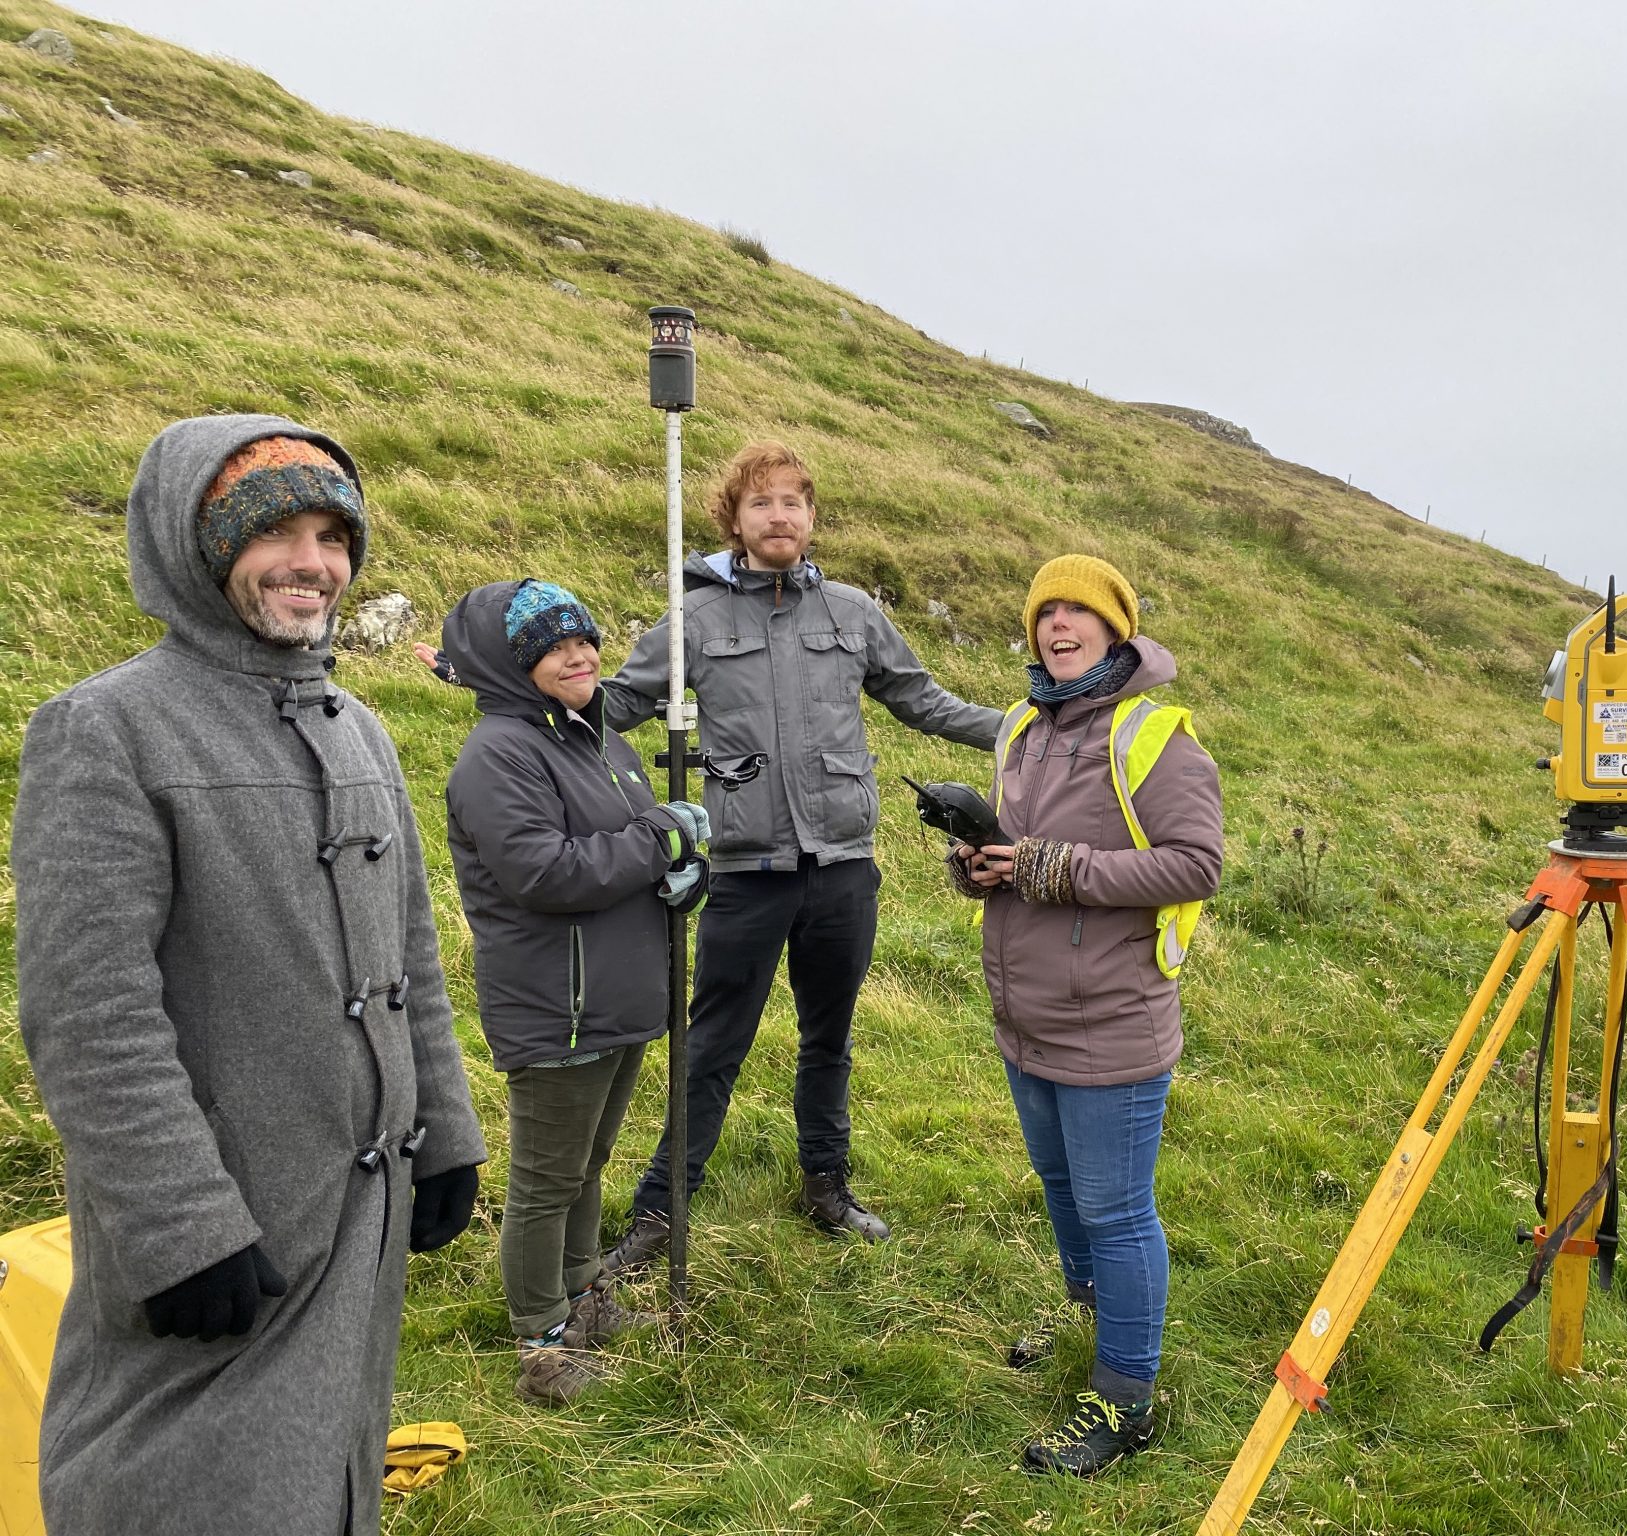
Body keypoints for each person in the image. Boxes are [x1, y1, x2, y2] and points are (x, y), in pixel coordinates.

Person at [12, 416, 488, 1535]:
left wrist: (447, 1126)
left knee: (328, 1479)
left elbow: (406, 950)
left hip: (350, 1224)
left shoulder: (358, 728)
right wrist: (182, 1227)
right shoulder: (107, 729)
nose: (312, 562)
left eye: (332, 533)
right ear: (199, 545)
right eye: (275, 531)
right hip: (221, 1231)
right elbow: (90, 1012)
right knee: (177, 1487)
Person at [602, 440, 1001, 1253]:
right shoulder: (696, 620)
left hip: (843, 870)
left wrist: (1024, 730)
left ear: (813, 518)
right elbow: (616, 701)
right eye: (761, 503)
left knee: (830, 1039)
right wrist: (513, 690)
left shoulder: (852, 613)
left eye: (793, 502)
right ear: (734, 521)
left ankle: (826, 1186)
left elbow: (919, 699)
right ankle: (658, 1214)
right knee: (712, 1045)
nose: (778, 515)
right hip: (745, 873)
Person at [947, 554, 1222, 1476]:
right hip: (1025, 1014)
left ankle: (1126, 1401)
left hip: (1111, 1018)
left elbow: (1196, 864)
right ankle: (1088, 1327)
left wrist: (1050, 867)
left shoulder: (1156, 736)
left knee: (1116, 1211)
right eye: (1045, 613)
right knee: (1064, 1194)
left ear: (1116, 628)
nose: (1059, 626)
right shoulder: (1024, 726)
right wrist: (984, 862)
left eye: (1080, 613)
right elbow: (1018, 851)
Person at [439, 579, 707, 1403]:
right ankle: (541, 1342)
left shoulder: (598, 740)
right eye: (554, 648)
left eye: (585, 639)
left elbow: (630, 854)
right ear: (510, 666)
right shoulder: (499, 755)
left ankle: (584, 1294)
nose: (580, 655)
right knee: (547, 1179)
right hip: (561, 1005)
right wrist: (660, 840)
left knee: (589, 1164)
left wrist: (680, 879)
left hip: (619, 996)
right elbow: (542, 871)